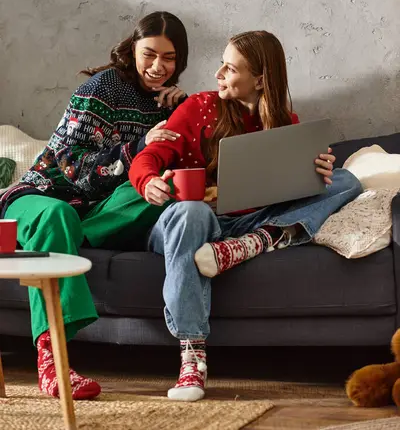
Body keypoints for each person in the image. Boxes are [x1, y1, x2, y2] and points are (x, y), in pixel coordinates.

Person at [129, 30, 362, 402]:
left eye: (231, 68)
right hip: (191, 223)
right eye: (221, 64)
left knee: (347, 180)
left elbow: (293, 190)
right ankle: (192, 354)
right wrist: (149, 181)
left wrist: (317, 172)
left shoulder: (285, 121)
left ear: (260, 79)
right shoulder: (198, 107)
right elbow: (149, 157)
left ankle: (259, 241)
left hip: (246, 226)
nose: (219, 73)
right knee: (190, 213)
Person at [0, 11, 189, 400]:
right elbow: (70, 165)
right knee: (58, 215)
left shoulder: (167, 102)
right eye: (149, 54)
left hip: (92, 212)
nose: (158, 67)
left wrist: (177, 113)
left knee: (165, 189)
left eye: (168, 58)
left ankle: (63, 242)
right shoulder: (103, 88)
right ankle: (52, 362)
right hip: (42, 197)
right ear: (132, 49)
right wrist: (138, 145)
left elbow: (165, 166)